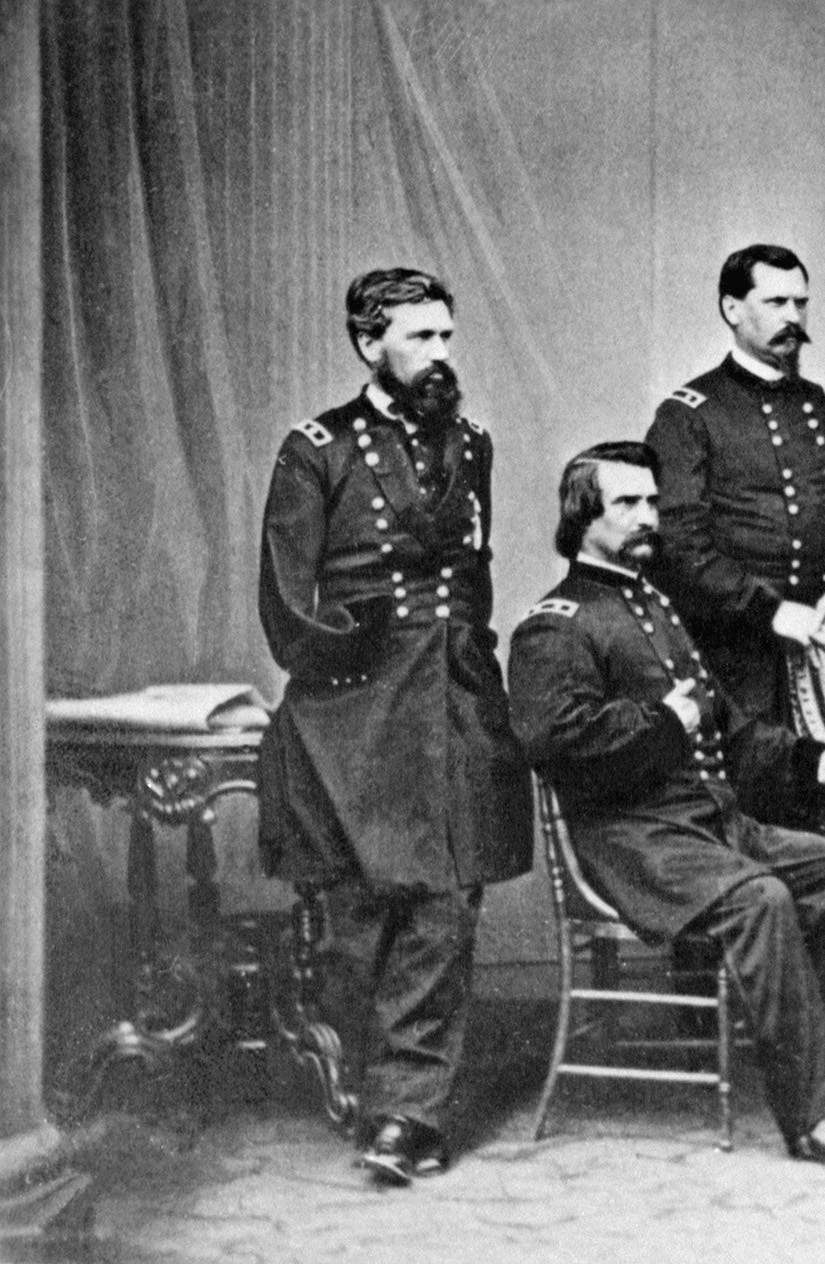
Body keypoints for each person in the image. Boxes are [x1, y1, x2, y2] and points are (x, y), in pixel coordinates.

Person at [508, 442, 825, 1173]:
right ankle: (817, 1116)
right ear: (582, 517)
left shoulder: (653, 601)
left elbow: (730, 728)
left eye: (653, 502)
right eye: (629, 505)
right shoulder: (556, 623)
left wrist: (815, 758)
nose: (650, 518)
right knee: (762, 899)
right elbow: (556, 741)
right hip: (631, 840)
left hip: (710, 826)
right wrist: (664, 723)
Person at [257, 267, 533, 1185]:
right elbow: (287, 602)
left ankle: (410, 1113)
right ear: (369, 343)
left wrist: (476, 675)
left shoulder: (474, 443)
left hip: (450, 696)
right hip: (353, 703)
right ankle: (380, 1094)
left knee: (447, 901)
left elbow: (478, 577)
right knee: (358, 911)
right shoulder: (315, 449)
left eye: (447, 336)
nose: (441, 354)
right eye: (421, 337)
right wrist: (348, 658)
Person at [644, 244, 825, 746]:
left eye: (800, 303)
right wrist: (770, 611)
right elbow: (678, 540)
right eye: (776, 303)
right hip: (734, 649)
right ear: (732, 310)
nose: (793, 317)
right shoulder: (690, 414)